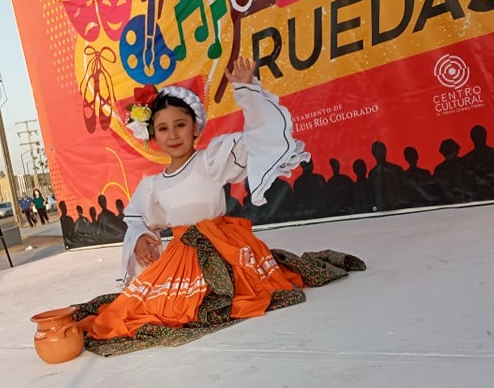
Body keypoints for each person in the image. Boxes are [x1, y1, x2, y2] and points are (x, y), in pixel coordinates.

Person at [78, 58, 364, 345]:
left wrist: (247, 89)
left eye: (180, 124)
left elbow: (257, 138)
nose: (173, 134)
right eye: (163, 128)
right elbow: (138, 217)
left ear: (195, 129)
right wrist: (140, 237)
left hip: (224, 246)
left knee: (214, 299)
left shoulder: (211, 160)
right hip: (183, 255)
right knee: (155, 307)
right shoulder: (153, 185)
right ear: (153, 135)